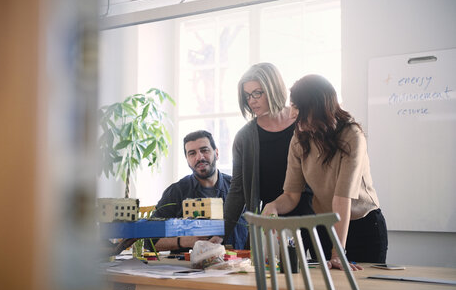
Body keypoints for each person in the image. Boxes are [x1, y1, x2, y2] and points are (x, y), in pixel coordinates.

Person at [261, 74, 388, 271]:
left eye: (297, 107)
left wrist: (337, 254)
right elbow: (291, 195)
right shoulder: (299, 137)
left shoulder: (352, 135)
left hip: (362, 225)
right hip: (324, 225)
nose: (292, 114)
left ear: (317, 107)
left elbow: (342, 199)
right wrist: (273, 206)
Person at [224, 62, 314, 248]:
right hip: (270, 224)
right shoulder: (244, 137)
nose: (252, 100)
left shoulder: (304, 124)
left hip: (311, 220)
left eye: (258, 93)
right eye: (247, 95)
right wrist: (220, 233)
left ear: (273, 88)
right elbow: (237, 190)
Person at [148, 130, 247, 252]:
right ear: (187, 159)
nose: (199, 157)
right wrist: (184, 241)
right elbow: (150, 240)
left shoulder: (240, 189)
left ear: (216, 153)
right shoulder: (176, 192)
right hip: (189, 267)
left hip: (237, 266)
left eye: (204, 150)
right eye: (192, 153)